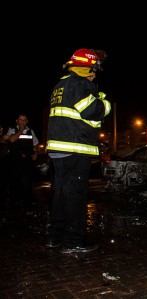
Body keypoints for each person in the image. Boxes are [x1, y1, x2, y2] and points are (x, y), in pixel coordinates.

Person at [46, 48, 111, 254]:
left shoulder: (60, 84)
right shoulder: (81, 84)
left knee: (61, 194)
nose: (94, 73)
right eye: (93, 69)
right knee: (75, 195)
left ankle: (55, 236)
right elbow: (93, 110)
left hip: (58, 148)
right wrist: (102, 100)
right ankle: (74, 240)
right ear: (86, 67)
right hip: (75, 148)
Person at [3, 114, 39, 209]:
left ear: (27, 121)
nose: (22, 122)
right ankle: (15, 201)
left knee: (27, 181)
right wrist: (20, 130)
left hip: (27, 160)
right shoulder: (12, 130)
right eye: (20, 120)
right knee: (15, 180)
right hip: (15, 160)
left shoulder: (30, 131)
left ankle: (27, 202)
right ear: (17, 121)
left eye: (24, 120)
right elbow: (12, 139)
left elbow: (35, 143)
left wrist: (35, 153)